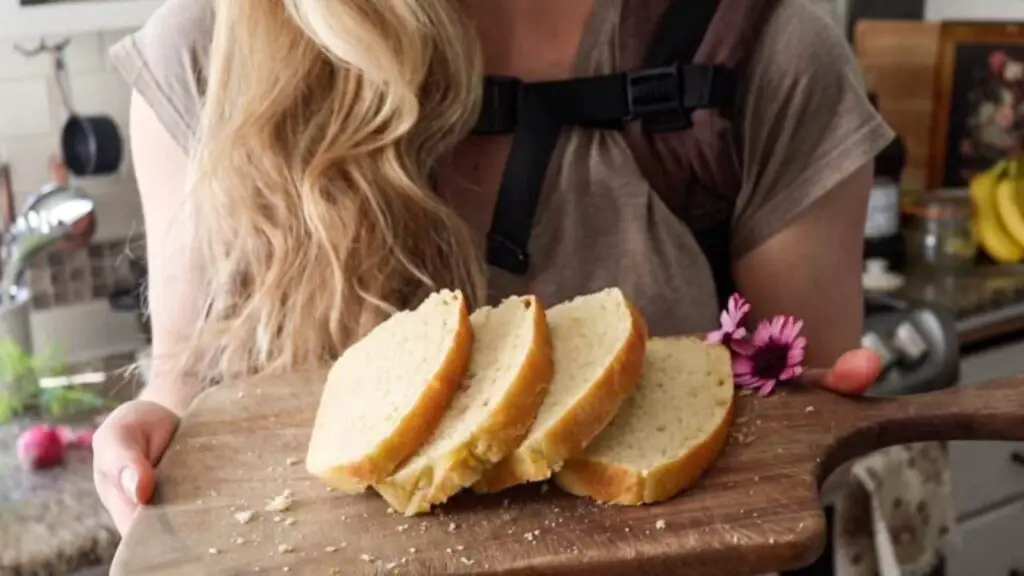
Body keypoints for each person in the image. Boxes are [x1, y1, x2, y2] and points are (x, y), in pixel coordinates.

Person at [95, 0, 892, 536]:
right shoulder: (214, 53)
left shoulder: (755, 51)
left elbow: (806, 443)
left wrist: (802, 430)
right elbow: (188, 387)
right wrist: (154, 435)